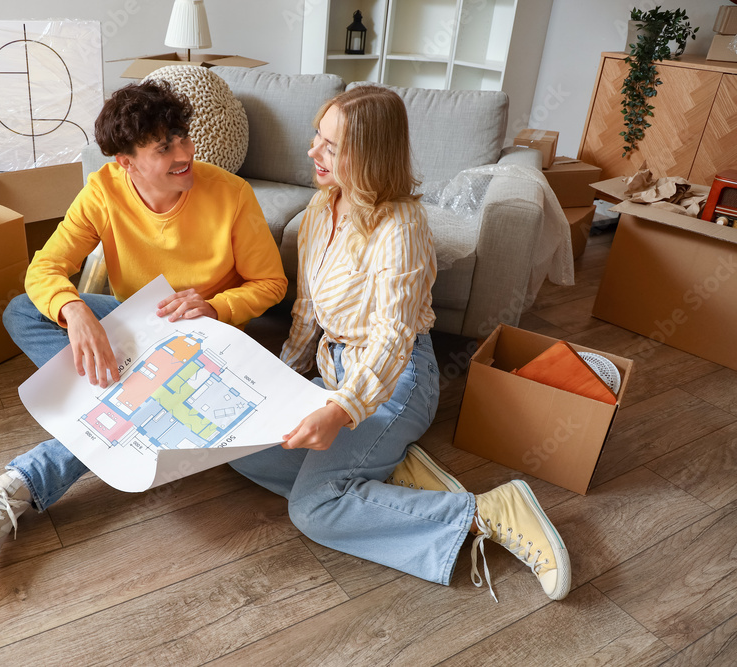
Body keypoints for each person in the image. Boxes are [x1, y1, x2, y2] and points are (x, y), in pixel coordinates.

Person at [0, 80, 291, 581]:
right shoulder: (103, 190)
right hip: (136, 322)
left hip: (208, 334)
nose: (184, 152)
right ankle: (128, 390)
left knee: (135, 390)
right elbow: (45, 269)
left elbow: (271, 284)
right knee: (23, 310)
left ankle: (20, 483)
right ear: (126, 161)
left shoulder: (231, 194)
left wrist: (215, 306)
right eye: (164, 147)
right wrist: (75, 313)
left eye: (183, 137)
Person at [228, 86, 571, 602]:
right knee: (237, 448)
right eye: (316, 138)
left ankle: (486, 512)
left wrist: (342, 409)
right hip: (335, 367)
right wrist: (283, 380)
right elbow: (307, 312)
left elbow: (391, 340)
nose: (311, 153)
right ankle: (383, 472)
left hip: (396, 379)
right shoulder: (323, 208)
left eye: (330, 147)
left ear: (367, 155)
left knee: (313, 509)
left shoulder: (402, 225)